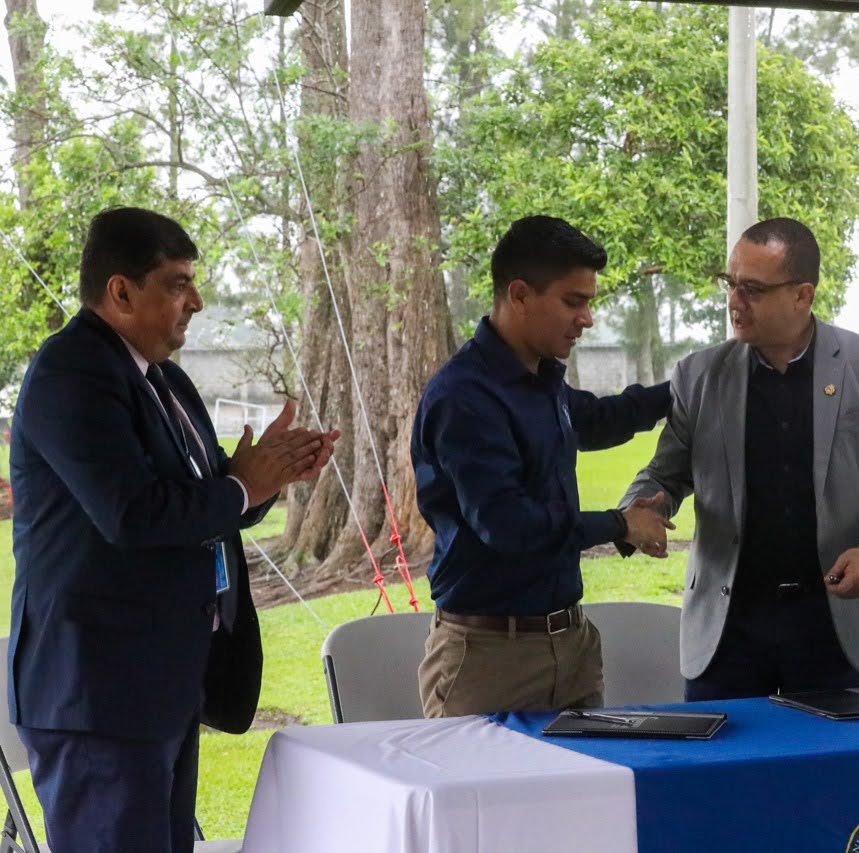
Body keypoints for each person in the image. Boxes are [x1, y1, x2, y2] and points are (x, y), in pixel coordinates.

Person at [7, 207, 339, 853]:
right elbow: (132, 513)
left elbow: (205, 500)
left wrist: (262, 477)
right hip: (98, 691)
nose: (197, 300)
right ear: (121, 290)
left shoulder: (165, 378)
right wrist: (244, 484)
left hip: (164, 678)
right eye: (178, 283)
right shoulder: (71, 374)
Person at [620, 218, 859, 701]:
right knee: (721, 775)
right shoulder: (699, 374)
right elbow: (665, 473)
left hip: (831, 626)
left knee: (827, 775)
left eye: (752, 289)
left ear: (802, 295)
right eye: (731, 284)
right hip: (727, 630)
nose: (734, 301)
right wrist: (638, 511)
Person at [412, 215, 673, 718]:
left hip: (571, 648)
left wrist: (688, 387)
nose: (587, 318)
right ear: (520, 295)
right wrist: (621, 524)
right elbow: (508, 525)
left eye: (589, 302)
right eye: (573, 301)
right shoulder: (465, 397)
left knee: (586, 798)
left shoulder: (542, 379)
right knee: (481, 800)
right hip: (487, 659)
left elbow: (596, 419)